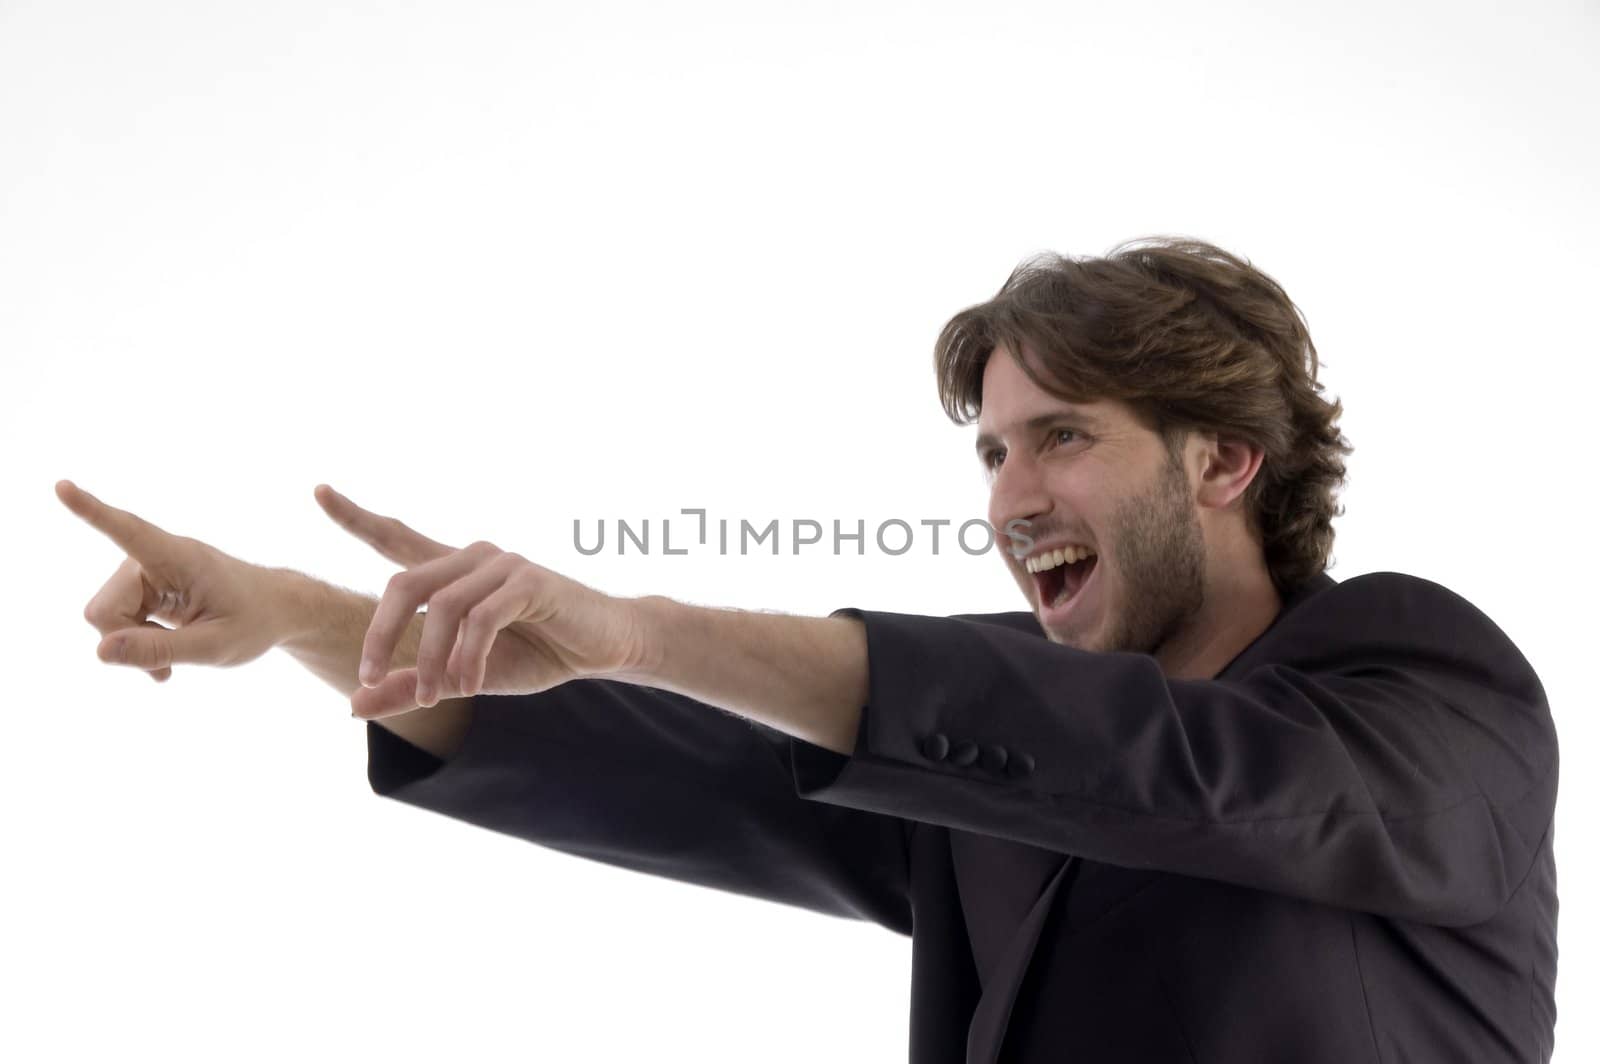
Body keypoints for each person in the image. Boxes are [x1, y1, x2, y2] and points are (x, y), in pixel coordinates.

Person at [61, 236, 1559, 1063]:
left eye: (1063, 439)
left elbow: (1203, 780)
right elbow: (690, 774)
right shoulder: (999, 760)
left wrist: (637, 621)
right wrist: (301, 617)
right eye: (990, 451)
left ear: (1225, 463)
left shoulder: (1419, 687)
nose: (1010, 495)